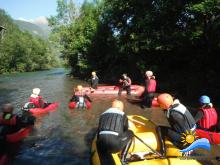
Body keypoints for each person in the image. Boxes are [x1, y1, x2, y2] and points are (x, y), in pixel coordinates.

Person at [96, 100, 133, 164]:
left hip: (101, 145)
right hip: (115, 146)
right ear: (120, 108)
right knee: (130, 133)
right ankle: (123, 158)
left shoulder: (102, 114)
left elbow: (98, 133)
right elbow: (125, 130)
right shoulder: (122, 114)